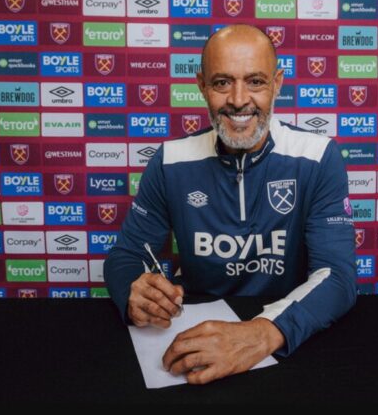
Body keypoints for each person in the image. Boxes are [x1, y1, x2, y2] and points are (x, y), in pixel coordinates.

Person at [105, 24, 356, 385]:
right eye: (222, 82)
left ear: (277, 84)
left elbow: (337, 276)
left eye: (255, 81)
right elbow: (126, 255)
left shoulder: (319, 156)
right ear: (202, 85)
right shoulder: (170, 160)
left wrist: (261, 333)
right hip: (192, 336)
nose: (239, 100)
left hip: (284, 337)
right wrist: (134, 290)